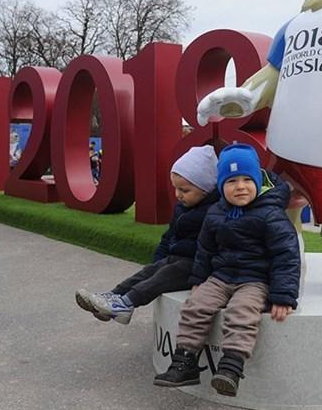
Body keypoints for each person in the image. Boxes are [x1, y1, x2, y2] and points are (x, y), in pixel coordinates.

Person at [153, 143, 300, 397]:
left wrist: (283, 295)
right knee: (195, 306)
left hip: (255, 280)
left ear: (258, 181)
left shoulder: (270, 214)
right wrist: (199, 278)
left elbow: (286, 255)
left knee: (241, 312)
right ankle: (185, 362)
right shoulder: (215, 212)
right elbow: (205, 249)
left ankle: (231, 367)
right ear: (221, 186)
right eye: (232, 181)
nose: (240, 186)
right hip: (221, 277)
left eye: (247, 179)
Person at [75, 145, 219, 324]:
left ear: (206, 188)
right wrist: (157, 260)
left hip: (195, 265)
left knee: (162, 276)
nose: (178, 195)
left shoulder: (213, 212)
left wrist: (200, 276)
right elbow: (169, 236)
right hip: (176, 258)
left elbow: (211, 247)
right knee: (148, 272)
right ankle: (113, 296)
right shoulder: (182, 208)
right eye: (176, 189)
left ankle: (126, 304)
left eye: (185, 191)